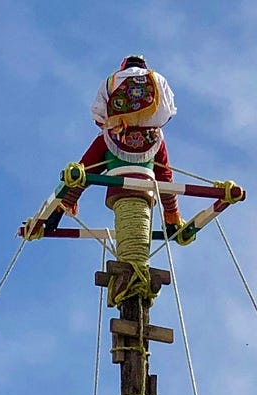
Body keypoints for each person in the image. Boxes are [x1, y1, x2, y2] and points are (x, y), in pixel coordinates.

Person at [59, 55, 192, 262]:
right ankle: (172, 218)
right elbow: (165, 176)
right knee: (164, 174)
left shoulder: (111, 81)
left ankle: (62, 207)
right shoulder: (156, 81)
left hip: (115, 138)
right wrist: (172, 214)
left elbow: (87, 169)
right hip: (150, 145)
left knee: (82, 172)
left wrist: (68, 199)